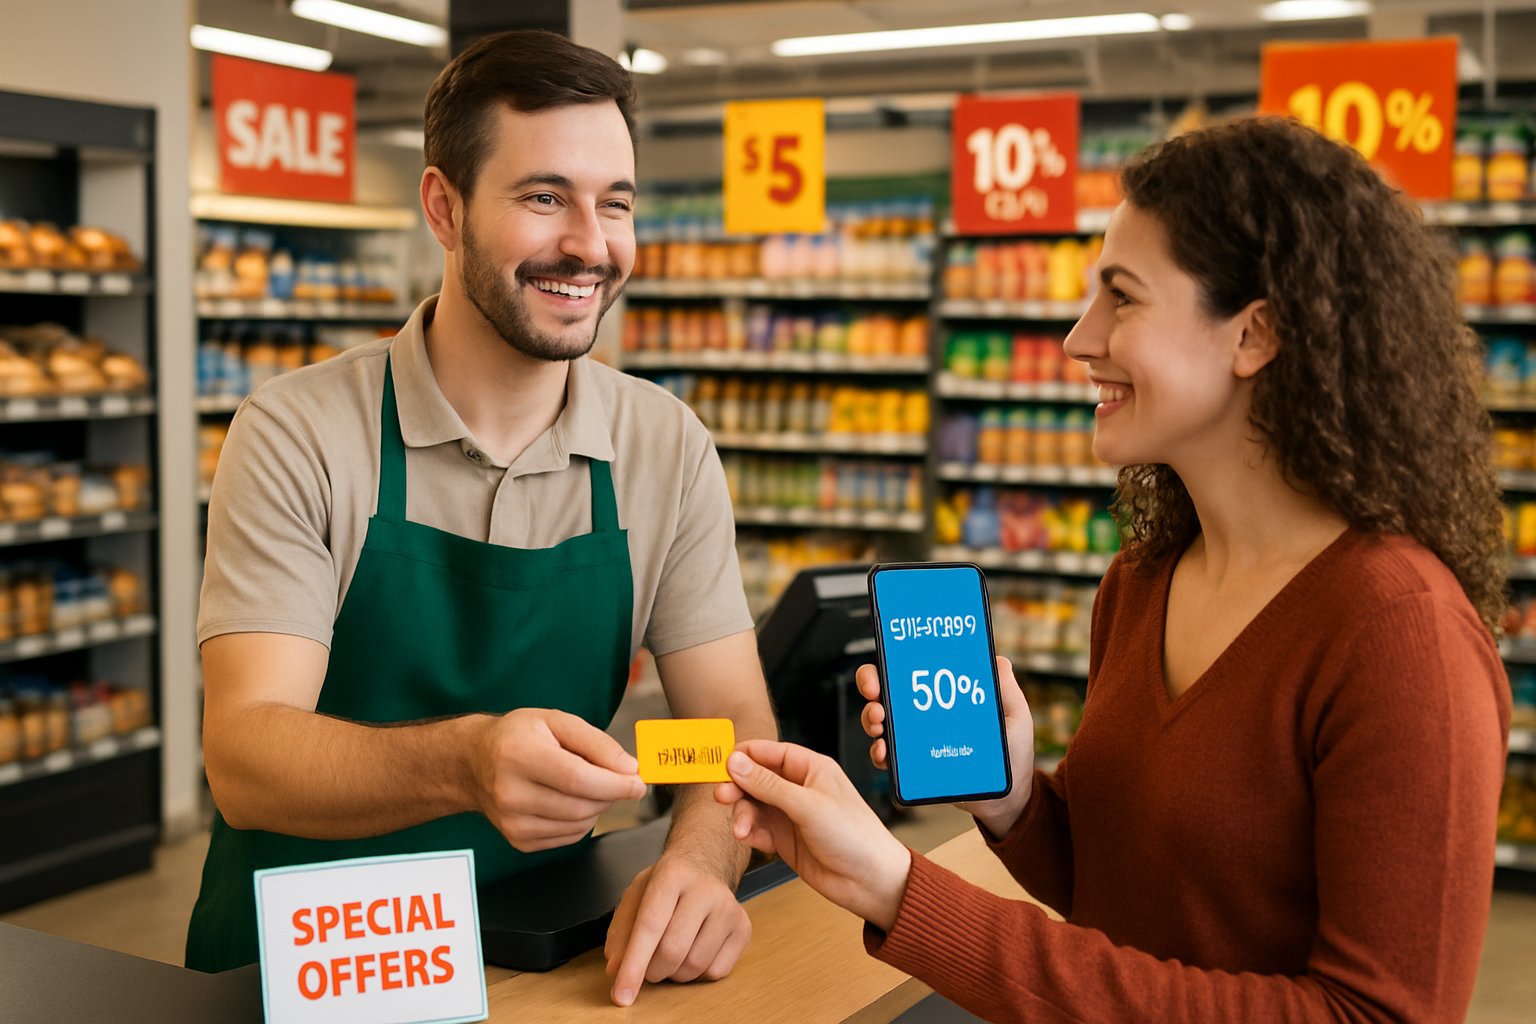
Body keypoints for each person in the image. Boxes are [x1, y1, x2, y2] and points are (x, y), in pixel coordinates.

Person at [716, 116, 1512, 1022]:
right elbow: (1128, 902)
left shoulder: (1401, 636)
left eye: (1122, 298)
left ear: (1257, 335)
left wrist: (906, 893)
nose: (1076, 337)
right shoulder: (1143, 580)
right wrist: (1016, 802)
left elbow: (1375, 1016)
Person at [187, 31, 776, 1008]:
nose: (591, 243)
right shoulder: (298, 432)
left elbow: (728, 726)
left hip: (541, 951)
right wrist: (465, 762)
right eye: (545, 197)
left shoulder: (665, 447)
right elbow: (246, 754)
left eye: (616, 203)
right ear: (444, 208)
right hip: (300, 968)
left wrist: (704, 861)